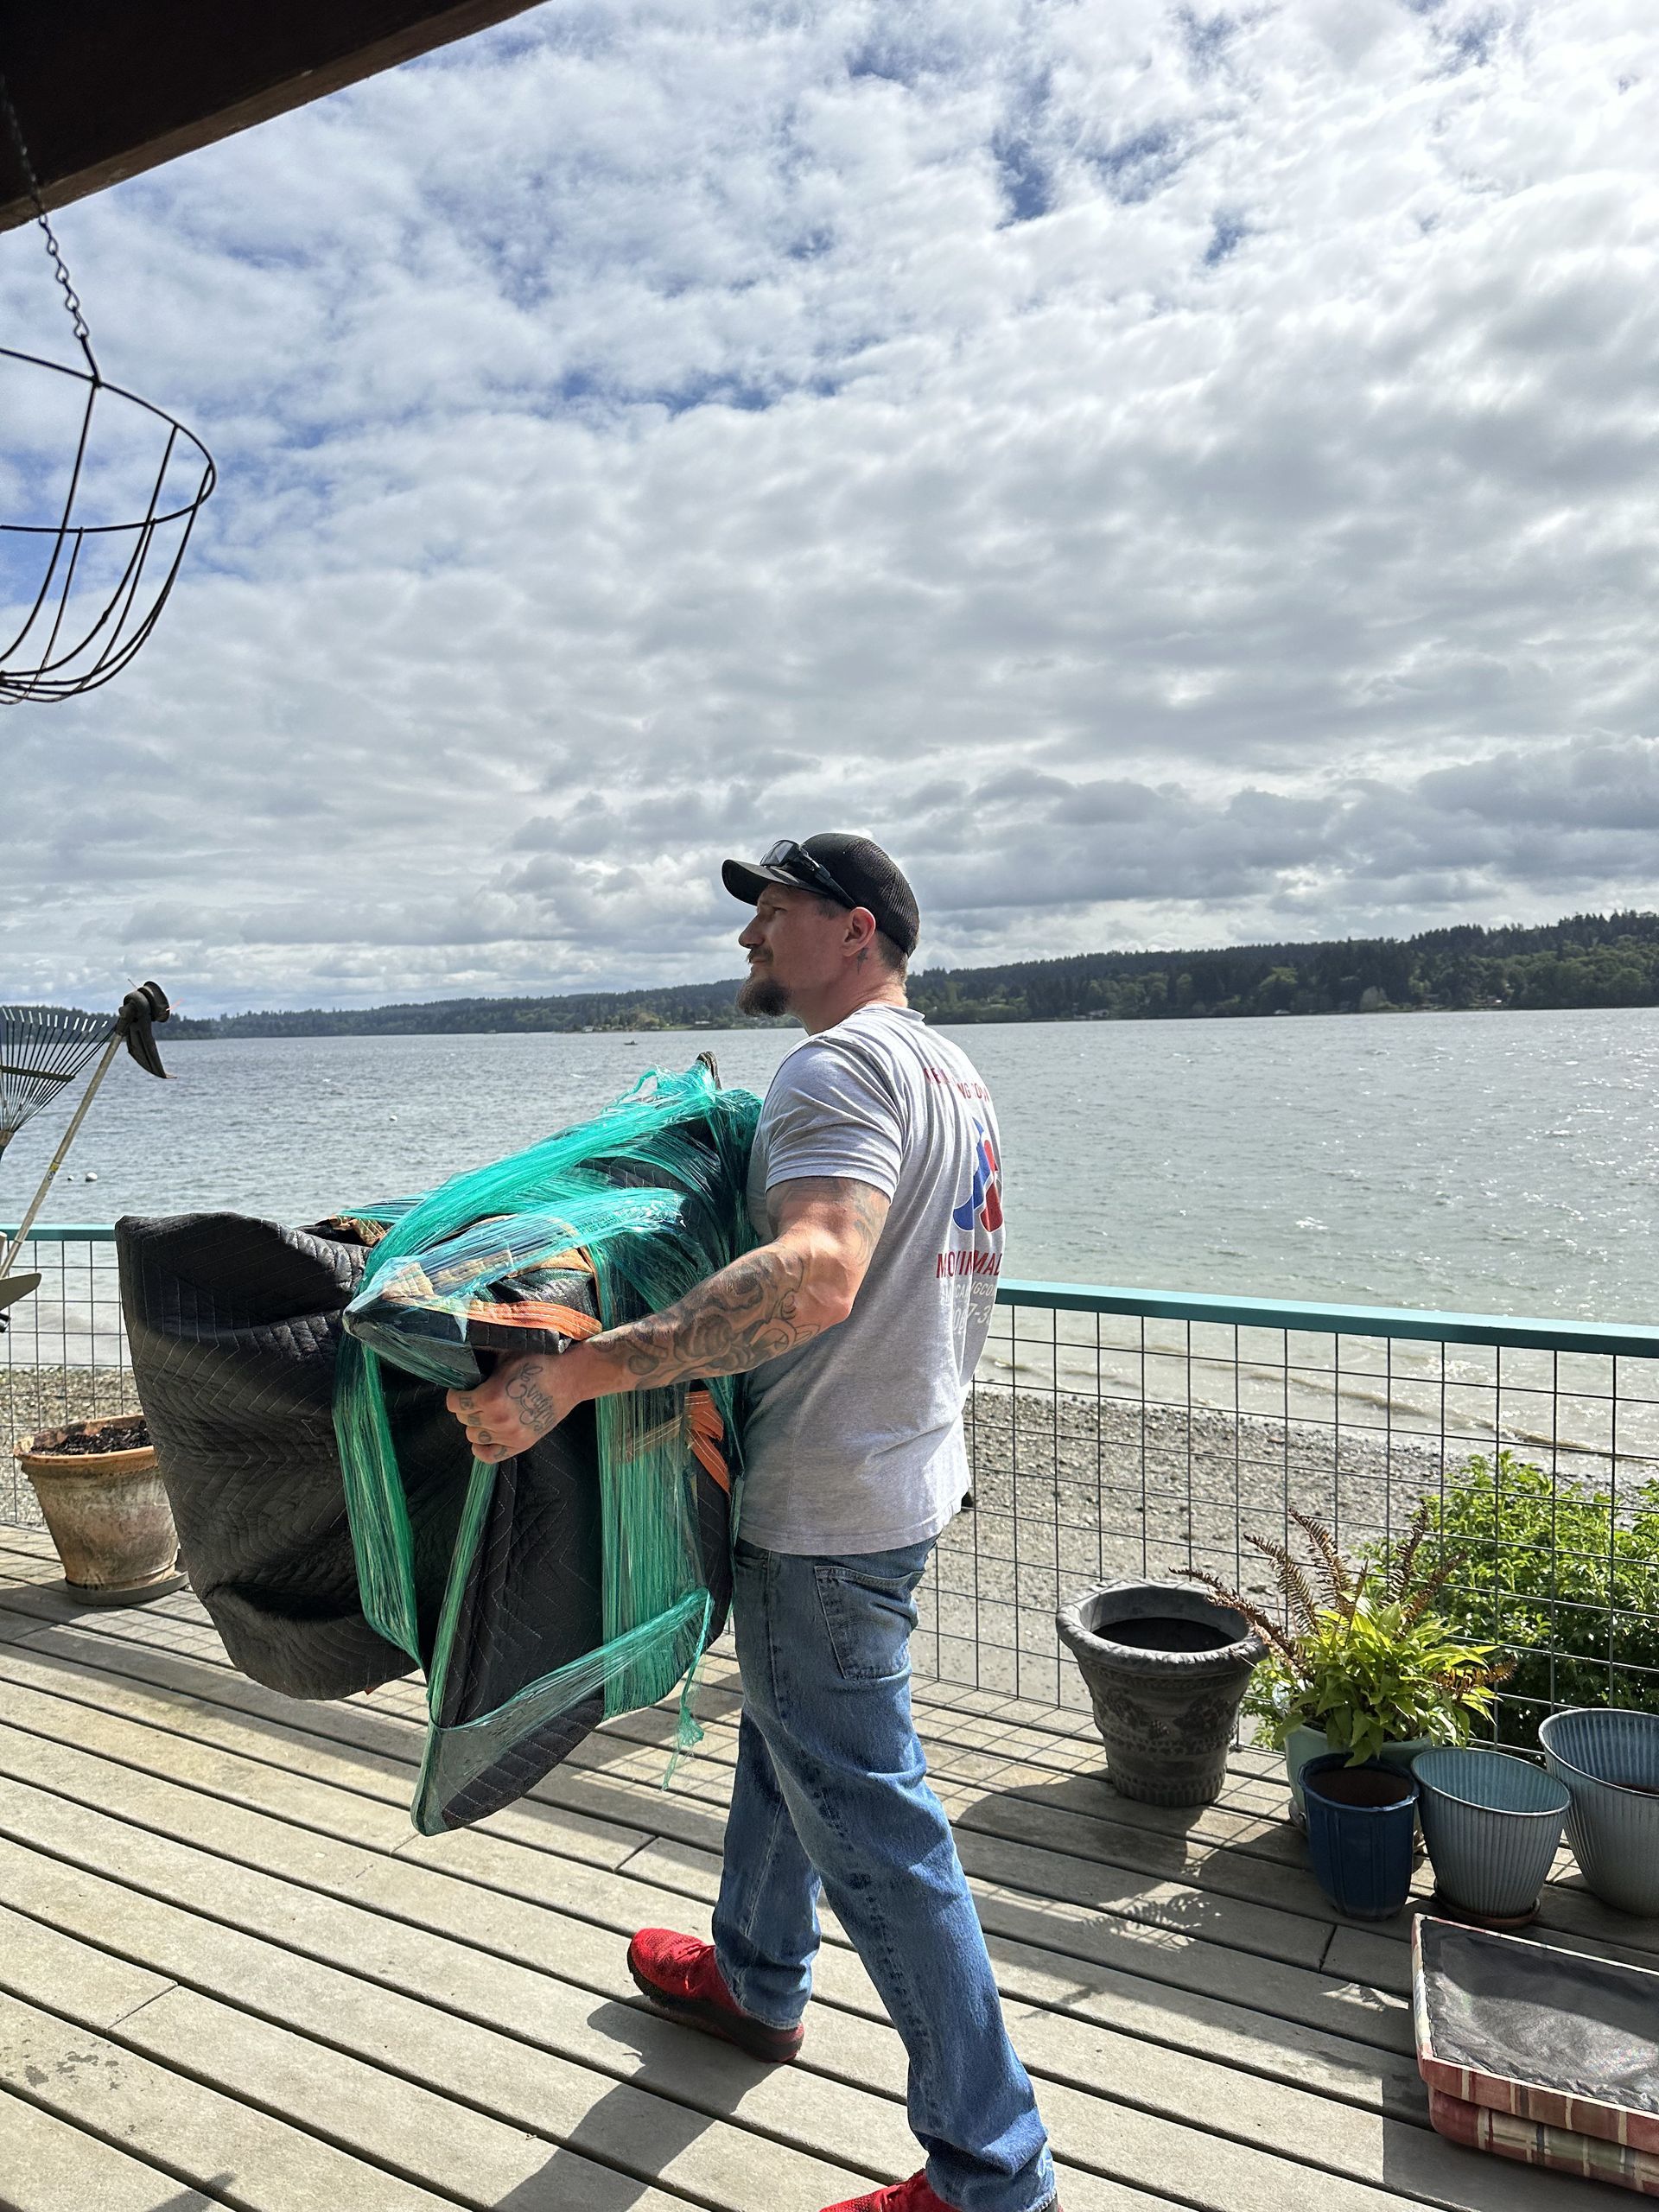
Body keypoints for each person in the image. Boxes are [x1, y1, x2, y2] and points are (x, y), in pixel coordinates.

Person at [446, 833, 1059, 2212]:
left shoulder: (835, 1068)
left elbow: (820, 1273)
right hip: (904, 1478)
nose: (748, 942)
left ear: (853, 931)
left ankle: (992, 2173)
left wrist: (571, 1377)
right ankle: (753, 1974)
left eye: (772, 915)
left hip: (829, 1506)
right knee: (788, 1734)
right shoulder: (947, 1071)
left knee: (878, 1828)